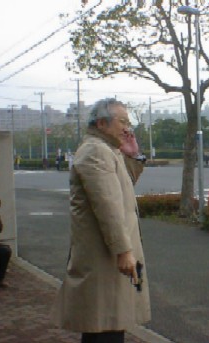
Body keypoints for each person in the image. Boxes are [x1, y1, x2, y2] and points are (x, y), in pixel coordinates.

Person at [51, 98, 151, 343]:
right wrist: (123, 250)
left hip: (106, 254)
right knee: (105, 327)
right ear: (102, 123)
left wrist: (133, 155)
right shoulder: (96, 151)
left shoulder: (107, 150)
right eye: (123, 121)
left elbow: (123, 185)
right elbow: (108, 205)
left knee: (108, 323)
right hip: (103, 256)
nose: (128, 128)